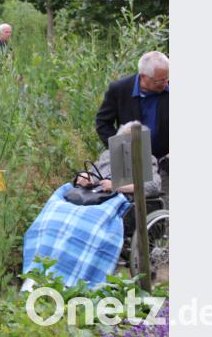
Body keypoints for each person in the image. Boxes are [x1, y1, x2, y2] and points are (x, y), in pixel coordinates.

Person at [21, 121, 161, 289]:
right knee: (56, 215)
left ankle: (76, 276)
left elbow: (152, 186)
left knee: (86, 224)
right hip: (95, 196)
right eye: (124, 138)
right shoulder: (108, 155)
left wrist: (116, 185)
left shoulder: (146, 158)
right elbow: (95, 174)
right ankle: (44, 270)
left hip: (119, 201)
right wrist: (86, 177)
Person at [95, 51, 169, 160]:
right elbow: (103, 123)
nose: (166, 84)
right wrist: (119, 148)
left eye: (166, 78)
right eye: (160, 81)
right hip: (132, 161)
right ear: (143, 77)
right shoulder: (119, 90)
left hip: (165, 161)